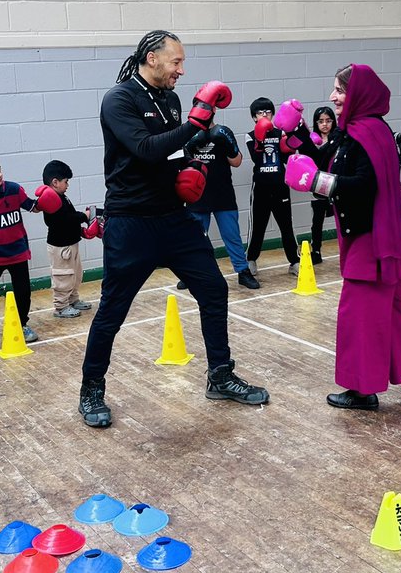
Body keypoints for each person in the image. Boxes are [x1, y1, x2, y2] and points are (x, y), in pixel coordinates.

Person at [79, 30, 269, 428]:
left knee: (214, 290)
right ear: (152, 58)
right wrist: (197, 123)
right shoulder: (119, 99)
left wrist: (194, 164)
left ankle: (220, 375)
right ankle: (91, 389)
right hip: (131, 222)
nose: (181, 70)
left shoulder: (170, 98)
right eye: (176, 62)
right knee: (113, 309)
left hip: (174, 218)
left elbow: (172, 151)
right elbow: (147, 148)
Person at [283, 64, 401, 411]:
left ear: (358, 95)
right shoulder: (359, 129)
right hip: (381, 229)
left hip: (377, 234)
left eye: (340, 90)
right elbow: (333, 158)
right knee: (398, 308)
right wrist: (298, 134)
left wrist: (318, 182)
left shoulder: (368, 133)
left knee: (357, 311)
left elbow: (364, 185)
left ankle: (362, 390)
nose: (333, 96)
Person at [0, 150, 63, 349]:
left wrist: (45, 201)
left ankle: (22, 325)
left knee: (23, 292)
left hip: (17, 252)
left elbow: (32, 207)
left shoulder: (14, 190)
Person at [178, 123, 260, 290]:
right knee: (194, 238)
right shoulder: (188, 133)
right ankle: (190, 274)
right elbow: (180, 163)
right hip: (197, 195)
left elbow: (236, 162)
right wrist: (189, 145)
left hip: (223, 194)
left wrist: (229, 143)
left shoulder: (222, 132)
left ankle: (243, 272)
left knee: (232, 236)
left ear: (213, 110)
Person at [244, 97, 300, 278]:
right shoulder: (250, 135)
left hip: (280, 185)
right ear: (254, 117)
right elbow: (255, 157)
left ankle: (295, 261)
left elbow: (288, 157)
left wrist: (293, 137)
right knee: (257, 227)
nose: (265, 115)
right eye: (260, 112)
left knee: (286, 225)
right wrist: (260, 137)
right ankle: (251, 260)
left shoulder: (280, 133)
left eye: (268, 111)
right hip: (260, 186)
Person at [41, 159, 101, 318]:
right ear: (55, 182)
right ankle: (61, 307)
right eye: (66, 182)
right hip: (60, 247)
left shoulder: (62, 196)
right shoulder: (51, 200)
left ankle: (73, 300)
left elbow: (68, 219)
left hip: (71, 243)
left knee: (75, 274)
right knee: (63, 275)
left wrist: (80, 231)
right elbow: (62, 219)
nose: (68, 185)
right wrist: (84, 216)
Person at [307, 105, 340, 264]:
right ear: (316, 123)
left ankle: (347, 246)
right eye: (321, 121)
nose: (325, 124)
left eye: (328, 120)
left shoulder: (340, 138)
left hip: (338, 182)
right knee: (317, 221)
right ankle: (316, 250)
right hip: (320, 183)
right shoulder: (313, 140)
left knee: (342, 216)